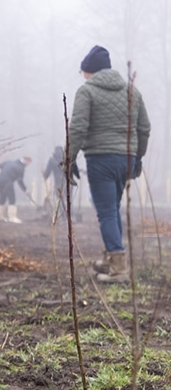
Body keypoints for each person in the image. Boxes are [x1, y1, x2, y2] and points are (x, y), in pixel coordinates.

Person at [67, 45, 151, 283]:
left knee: (106, 212)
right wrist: (137, 157)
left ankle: (119, 269)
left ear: (90, 71)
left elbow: (78, 128)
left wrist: (68, 159)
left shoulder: (86, 92)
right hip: (126, 158)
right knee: (112, 209)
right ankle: (110, 259)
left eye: (83, 72)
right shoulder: (132, 92)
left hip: (101, 160)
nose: (83, 76)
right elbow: (144, 128)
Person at [0, 156, 31, 224]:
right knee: (12, 199)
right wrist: (25, 190)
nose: (28, 165)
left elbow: (1, 165)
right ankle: (12, 217)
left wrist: (6, 171)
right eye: (28, 163)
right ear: (26, 161)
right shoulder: (21, 168)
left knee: (2, 198)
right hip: (8, 182)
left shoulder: (9, 162)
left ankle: (0, 216)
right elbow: (20, 181)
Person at [42, 145, 69, 222]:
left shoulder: (52, 160)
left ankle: (64, 217)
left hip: (59, 183)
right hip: (69, 182)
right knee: (68, 200)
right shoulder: (67, 159)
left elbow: (46, 174)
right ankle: (71, 216)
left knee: (60, 200)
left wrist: (43, 174)